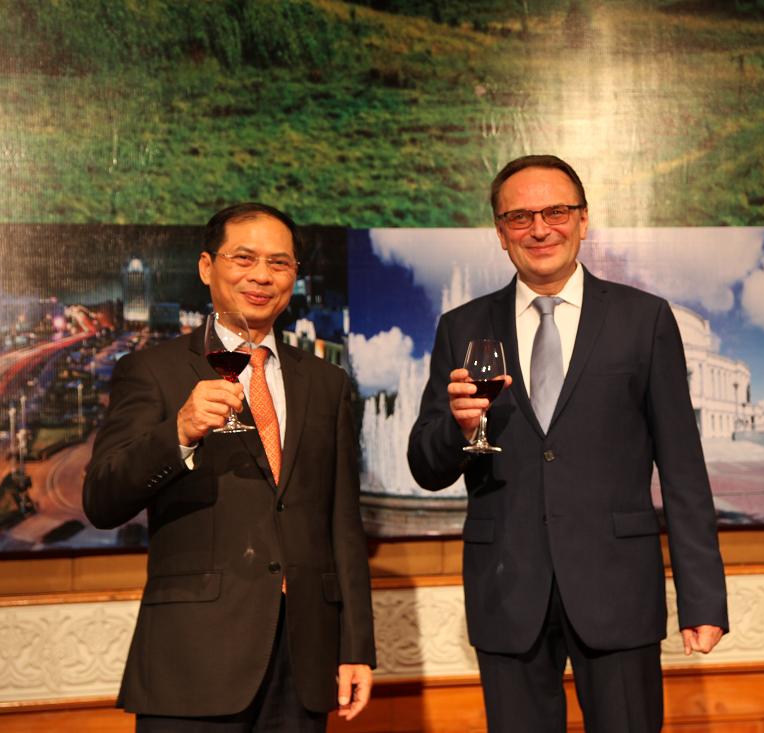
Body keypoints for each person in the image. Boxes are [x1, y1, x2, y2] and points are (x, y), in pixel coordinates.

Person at [407, 155, 728, 733]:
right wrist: (459, 429)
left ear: (583, 220)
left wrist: (702, 598)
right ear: (500, 232)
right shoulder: (462, 327)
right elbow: (426, 467)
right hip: (506, 590)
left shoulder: (644, 319)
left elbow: (683, 468)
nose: (539, 228)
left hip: (618, 589)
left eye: (555, 211)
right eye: (520, 217)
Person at [84, 203, 375, 731]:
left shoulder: (326, 383)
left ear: (294, 276)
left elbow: (343, 525)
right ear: (206, 267)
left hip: (304, 658)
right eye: (244, 258)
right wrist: (178, 432)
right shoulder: (151, 370)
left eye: (279, 263)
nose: (261, 275)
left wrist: (355, 646)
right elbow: (102, 500)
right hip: (193, 657)